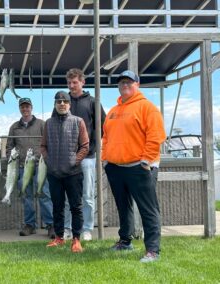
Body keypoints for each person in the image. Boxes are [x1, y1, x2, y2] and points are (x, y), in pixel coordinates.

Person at [102, 70, 166, 263]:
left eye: (129, 82)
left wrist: (146, 161)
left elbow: (155, 136)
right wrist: (105, 159)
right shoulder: (113, 111)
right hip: (115, 167)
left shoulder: (147, 107)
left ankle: (153, 250)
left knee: (148, 209)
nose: (124, 85)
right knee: (123, 207)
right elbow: (105, 137)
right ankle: (125, 241)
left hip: (140, 167)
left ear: (137, 84)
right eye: (121, 82)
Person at [41, 91, 89, 253]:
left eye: (65, 101)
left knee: (76, 207)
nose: (62, 104)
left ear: (69, 104)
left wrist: (74, 161)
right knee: (57, 206)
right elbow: (43, 146)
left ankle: (76, 239)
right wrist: (49, 162)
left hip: (73, 173)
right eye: (58, 101)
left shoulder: (78, 122)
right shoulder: (48, 123)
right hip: (54, 173)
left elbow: (85, 146)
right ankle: (59, 237)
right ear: (55, 104)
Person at [63, 68, 107, 241]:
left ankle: (87, 229)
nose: (72, 86)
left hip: (88, 157)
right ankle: (68, 228)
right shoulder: (62, 101)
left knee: (88, 195)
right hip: (67, 159)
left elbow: (102, 127)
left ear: (82, 82)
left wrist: (93, 147)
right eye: (69, 83)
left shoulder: (93, 102)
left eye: (75, 82)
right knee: (68, 196)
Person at [7, 97, 54, 239]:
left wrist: (46, 158)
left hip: (41, 166)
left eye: (27, 106)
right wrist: (12, 158)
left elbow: (49, 142)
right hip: (22, 167)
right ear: (19, 108)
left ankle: (50, 225)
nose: (25, 109)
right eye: (22, 107)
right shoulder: (14, 127)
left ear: (31, 108)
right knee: (26, 196)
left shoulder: (42, 124)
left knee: (45, 194)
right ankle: (30, 225)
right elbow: (9, 146)